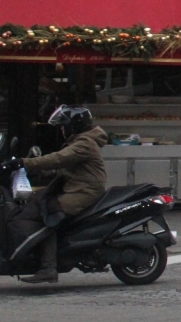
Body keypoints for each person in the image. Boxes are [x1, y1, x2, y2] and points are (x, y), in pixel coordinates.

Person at [3, 106, 108, 283]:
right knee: (36, 200)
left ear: (74, 126)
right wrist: (36, 171)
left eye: (63, 126)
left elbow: (58, 159)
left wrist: (24, 163)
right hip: (76, 188)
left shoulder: (84, 143)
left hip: (84, 192)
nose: (61, 129)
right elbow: (65, 168)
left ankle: (48, 267)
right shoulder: (81, 141)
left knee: (47, 212)